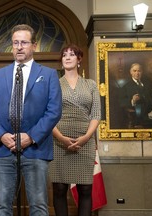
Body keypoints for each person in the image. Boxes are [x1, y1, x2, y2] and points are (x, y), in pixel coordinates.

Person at [0, 24, 62, 216]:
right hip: (3, 150)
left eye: (24, 42)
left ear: (34, 45)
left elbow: (54, 111)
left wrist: (31, 136)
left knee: (38, 206)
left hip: (35, 149)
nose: (19, 47)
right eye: (15, 43)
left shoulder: (49, 74)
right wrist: (2, 136)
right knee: (1, 206)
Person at [49, 44, 101, 216]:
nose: (68, 57)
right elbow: (46, 114)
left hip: (85, 141)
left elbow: (96, 114)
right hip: (58, 141)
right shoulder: (54, 84)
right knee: (59, 188)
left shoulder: (90, 84)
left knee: (86, 188)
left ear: (79, 60)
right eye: (64, 55)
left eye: (72, 55)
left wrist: (86, 137)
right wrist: (61, 138)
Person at [119, 63, 152, 128]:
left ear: (142, 72)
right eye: (134, 71)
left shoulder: (148, 83)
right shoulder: (126, 87)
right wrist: (132, 101)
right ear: (131, 72)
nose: (137, 73)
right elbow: (121, 102)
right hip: (139, 115)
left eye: (139, 71)